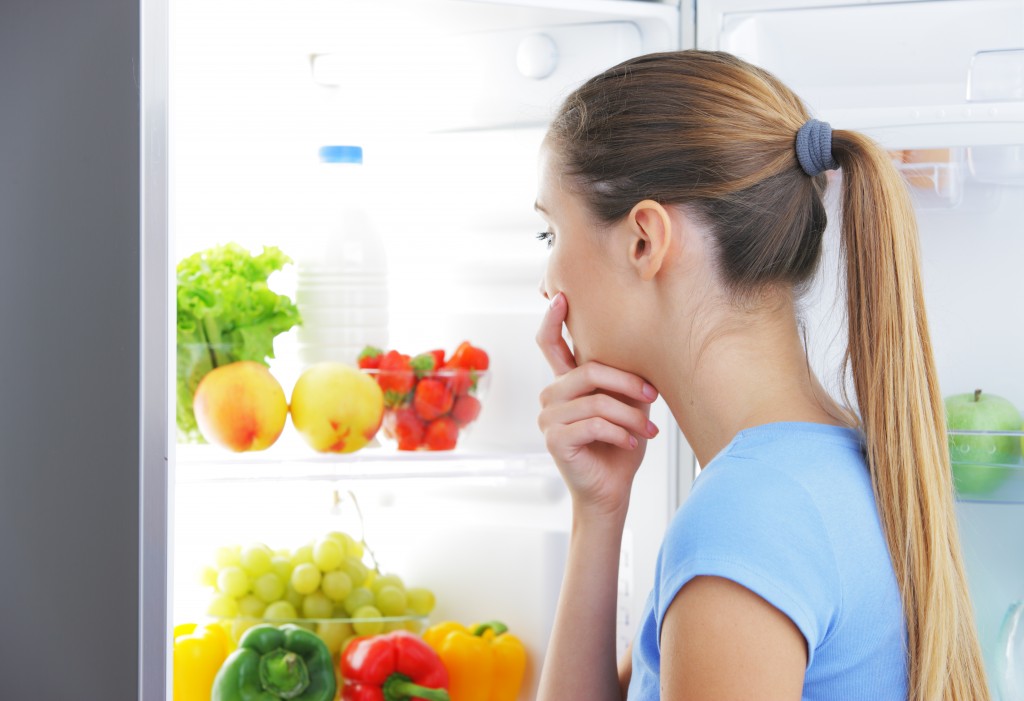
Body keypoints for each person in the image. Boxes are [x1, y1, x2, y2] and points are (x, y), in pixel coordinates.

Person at [532, 50, 989, 701]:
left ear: (644, 240)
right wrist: (598, 513)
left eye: (549, 233)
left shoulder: (744, 518)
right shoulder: (824, 470)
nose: (546, 280)